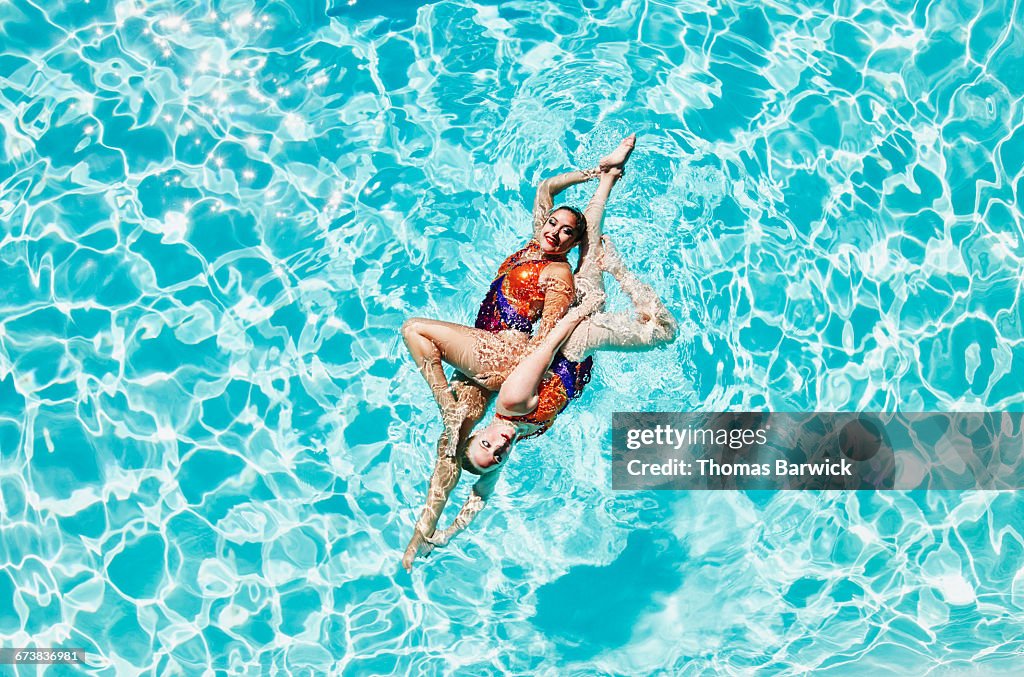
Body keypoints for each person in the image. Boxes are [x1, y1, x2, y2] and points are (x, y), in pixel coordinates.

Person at [401, 233, 676, 570]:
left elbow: (545, 350)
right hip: (570, 347)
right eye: (498, 457)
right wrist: (447, 533)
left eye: (486, 444)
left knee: (663, 331)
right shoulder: (508, 438)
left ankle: (618, 266)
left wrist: (582, 312)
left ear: (480, 431)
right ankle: (603, 192)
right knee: (591, 240)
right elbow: (482, 494)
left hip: (574, 338)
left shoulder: (511, 403)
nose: (498, 448)